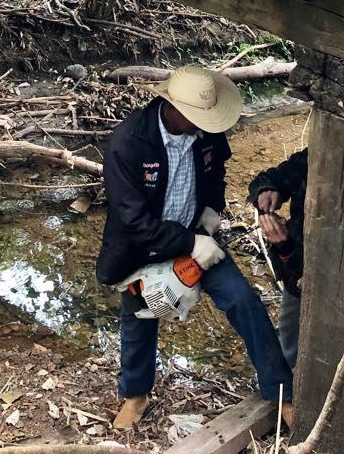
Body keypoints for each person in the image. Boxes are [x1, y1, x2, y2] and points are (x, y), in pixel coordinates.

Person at [97, 65, 293, 429]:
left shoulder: (206, 135)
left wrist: (210, 212)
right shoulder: (129, 142)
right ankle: (135, 395)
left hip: (196, 232)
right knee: (140, 315)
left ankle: (282, 391)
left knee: (243, 301)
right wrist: (191, 243)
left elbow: (216, 171)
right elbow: (132, 221)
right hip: (143, 244)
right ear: (173, 109)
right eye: (197, 117)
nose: (205, 124)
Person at [248, 149, 308, 370]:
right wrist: (265, 191)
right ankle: (288, 384)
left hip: (331, 271)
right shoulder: (309, 160)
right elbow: (268, 178)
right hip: (296, 270)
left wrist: (284, 245)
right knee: (290, 332)